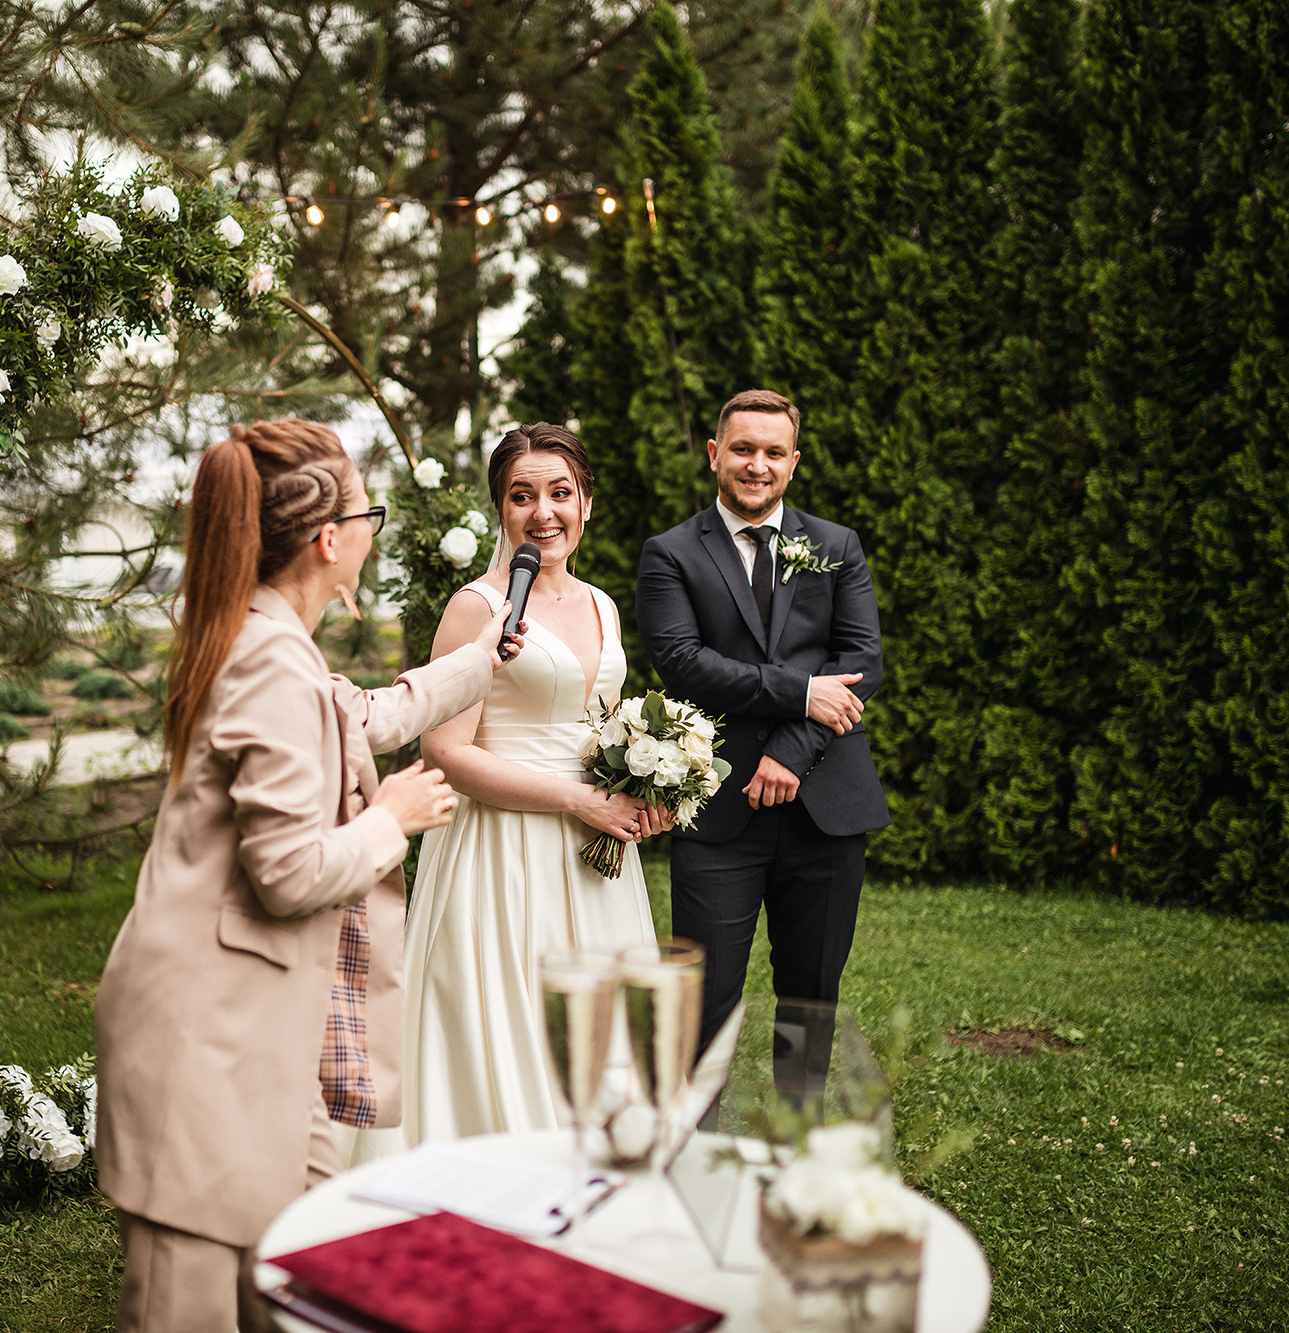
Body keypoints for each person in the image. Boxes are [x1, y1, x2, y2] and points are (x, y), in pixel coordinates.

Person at [92, 419, 523, 1333]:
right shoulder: (269, 661)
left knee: (303, 1289)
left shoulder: (264, 637)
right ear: (331, 539)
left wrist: (481, 661)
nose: (371, 531)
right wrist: (392, 817)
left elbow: (363, 714)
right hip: (204, 1046)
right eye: (368, 514)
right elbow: (286, 873)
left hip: (259, 1039)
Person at [392, 423, 669, 1147]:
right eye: (522, 496)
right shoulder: (477, 607)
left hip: (596, 852)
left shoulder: (603, 604)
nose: (543, 513)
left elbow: (605, 729)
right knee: (510, 1024)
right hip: (502, 848)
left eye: (560, 493)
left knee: (600, 1027)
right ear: (501, 509)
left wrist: (650, 780)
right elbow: (444, 751)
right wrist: (577, 799)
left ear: (586, 504)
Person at [635, 389, 888, 1060]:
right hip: (719, 809)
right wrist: (801, 693)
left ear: (793, 462)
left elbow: (861, 662)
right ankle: (694, 1127)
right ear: (715, 454)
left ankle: (797, 1128)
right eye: (742, 449)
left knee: (811, 1001)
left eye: (774, 452)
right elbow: (685, 664)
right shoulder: (670, 553)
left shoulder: (836, 545)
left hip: (825, 806)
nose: (757, 465)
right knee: (705, 1003)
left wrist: (790, 752)